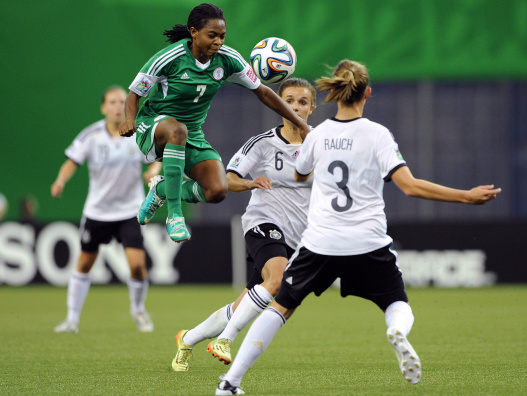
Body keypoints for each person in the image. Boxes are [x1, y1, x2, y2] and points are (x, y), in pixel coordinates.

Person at [214, 60, 502, 395]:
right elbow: (409, 187)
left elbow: (300, 174)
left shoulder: (318, 136)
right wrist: (466, 197)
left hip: (320, 243)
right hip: (368, 240)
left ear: (334, 92)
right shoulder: (377, 135)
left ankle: (230, 383)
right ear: (367, 93)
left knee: (281, 307)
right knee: (397, 302)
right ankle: (397, 332)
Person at [119, 3, 309, 243]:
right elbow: (134, 94)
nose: (218, 41)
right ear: (193, 32)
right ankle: (175, 215)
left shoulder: (228, 59)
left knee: (218, 190)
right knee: (177, 129)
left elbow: (262, 92)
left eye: (222, 36)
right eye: (212, 35)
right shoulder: (171, 58)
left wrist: (300, 123)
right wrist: (129, 120)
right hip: (153, 126)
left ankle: (162, 190)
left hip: (191, 135)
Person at [170, 78, 316, 371]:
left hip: (299, 235)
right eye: (289, 100)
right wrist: (250, 183)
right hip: (263, 221)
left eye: (302, 102)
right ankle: (226, 339)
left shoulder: (320, 145)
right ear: (279, 104)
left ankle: (188, 337)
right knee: (276, 279)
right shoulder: (262, 143)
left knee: (249, 301)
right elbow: (229, 178)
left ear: (312, 107)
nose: (296, 107)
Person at [52, 85, 162, 333]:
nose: (116, 106)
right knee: (84, 264)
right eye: (111, 102)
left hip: (130, 211)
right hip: (98, 212)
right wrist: (60, 181)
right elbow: (72, 162)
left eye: (121, 101)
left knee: (137, 265)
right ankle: (72, 319)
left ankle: (138, 309)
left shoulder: (137, 135)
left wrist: (153, 171)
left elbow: (157, 158)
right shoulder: (91, 135)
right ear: (103, 107)